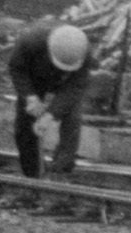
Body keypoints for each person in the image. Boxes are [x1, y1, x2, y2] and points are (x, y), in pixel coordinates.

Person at [6, 20, 94, 177]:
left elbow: (76, 87)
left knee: (72, 116)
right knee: (26, 121)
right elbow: (17, 68)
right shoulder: (30, 41)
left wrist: (50, 115)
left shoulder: (84, 51)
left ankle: (62, 168)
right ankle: (31, 171)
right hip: (35, 77)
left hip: (66, 81)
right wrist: (30, 97)